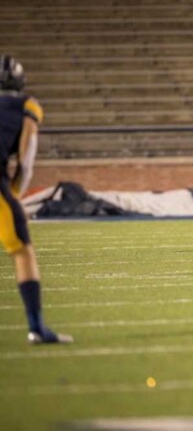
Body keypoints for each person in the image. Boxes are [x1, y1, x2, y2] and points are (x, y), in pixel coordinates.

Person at [0, 55, 73, 344]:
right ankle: (37, 328)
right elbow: (26, 162)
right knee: (22, 251)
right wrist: (15, 195)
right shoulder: (26, 105)